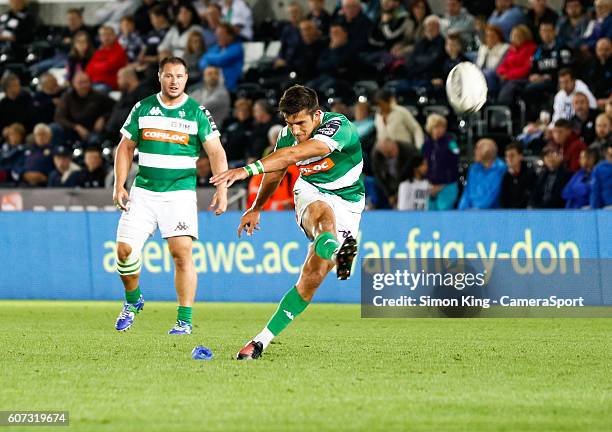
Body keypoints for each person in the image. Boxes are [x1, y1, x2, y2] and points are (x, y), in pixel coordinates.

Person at [210, 85, 364, 360]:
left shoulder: (339, 127)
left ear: (317, 115)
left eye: (300, 123)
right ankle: (340, 252)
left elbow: (294, 155)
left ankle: (261, 339)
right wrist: (256, 207)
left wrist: (246, 170)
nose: (295, 131)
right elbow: (276, 171)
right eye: (290, 124)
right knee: (323, 219)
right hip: (311, 191)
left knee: (312, 279)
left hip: (349, 202)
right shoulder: (286, 136)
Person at [112, 57, 229, 335]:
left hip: (179, 195)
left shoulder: (197, 112)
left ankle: (184, 320)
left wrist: (222, 189)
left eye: (179, 76)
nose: (174, 81)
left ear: (186, 78)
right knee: (124, 252)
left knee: (181, 253)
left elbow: (216, 152)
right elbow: (125, 147)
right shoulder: (143, 108)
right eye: (168, 76)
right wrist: (119, 184)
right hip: (143, 192)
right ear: (160, 77)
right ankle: (133, 300)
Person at [371, 89, 424, 205]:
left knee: (403, 183)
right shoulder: (378, 116)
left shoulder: (401, 112)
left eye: (381, 102)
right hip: (386, 155)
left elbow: (415, 129)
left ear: (388, 101)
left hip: (404, 153)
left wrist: (419, 147)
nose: (380, 106)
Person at [458, 138, 507, 209]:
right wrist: (461, 210)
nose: (474, 151)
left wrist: (476, 210)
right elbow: (467, 193)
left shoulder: (500, 169)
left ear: (487, 150)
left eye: (477, 148)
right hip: (471, 212)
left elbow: (492, 195)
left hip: (491, 213)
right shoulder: (473, 168)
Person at [197, 23, 244, 92]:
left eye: (221, 35)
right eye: (217, 35)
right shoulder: (215, 47)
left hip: (227, 87)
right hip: (209, 84)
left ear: (230, 36)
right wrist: (207, 65)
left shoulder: (237, 48)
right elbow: (202, 63)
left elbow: (221, 59)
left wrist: (206, 57)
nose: (217, 38)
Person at [85, 25, 129, 91]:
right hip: (93, 82)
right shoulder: (99, 51)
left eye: (108, 34)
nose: (106, 37)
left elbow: (109, 66)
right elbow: (88, 69)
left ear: (114, 35)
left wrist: (96, 66)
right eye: (103, 35)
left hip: (109, 84)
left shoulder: (119, 50)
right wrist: (101, 65)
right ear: (100, 38)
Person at [500, 141, 536, 208]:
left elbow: (531, 197)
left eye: (512, 155)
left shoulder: (530, 174)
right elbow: (503, 198)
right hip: (509, 214)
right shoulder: (506, 176)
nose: (509, 159)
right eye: (507, 156)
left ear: (520, 156)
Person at [590, 142, 612, 208]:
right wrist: (594, 209)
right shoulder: (599, 169)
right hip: (608, 207)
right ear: (606, 155)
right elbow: (595, 191)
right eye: (610, 155)